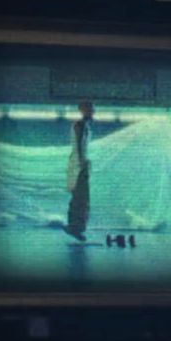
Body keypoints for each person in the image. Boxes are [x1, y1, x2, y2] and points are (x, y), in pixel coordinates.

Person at [64, 100, 94, 241]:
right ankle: (74, 227)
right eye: (90, 109)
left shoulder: (85, 126)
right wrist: (82, 162)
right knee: (80, 198)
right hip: (78, 166)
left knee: (81, 198)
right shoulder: (80, 125)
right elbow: (79, 146)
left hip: (80, 165)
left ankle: (76, 227)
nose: (93, 112)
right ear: (82, 110)